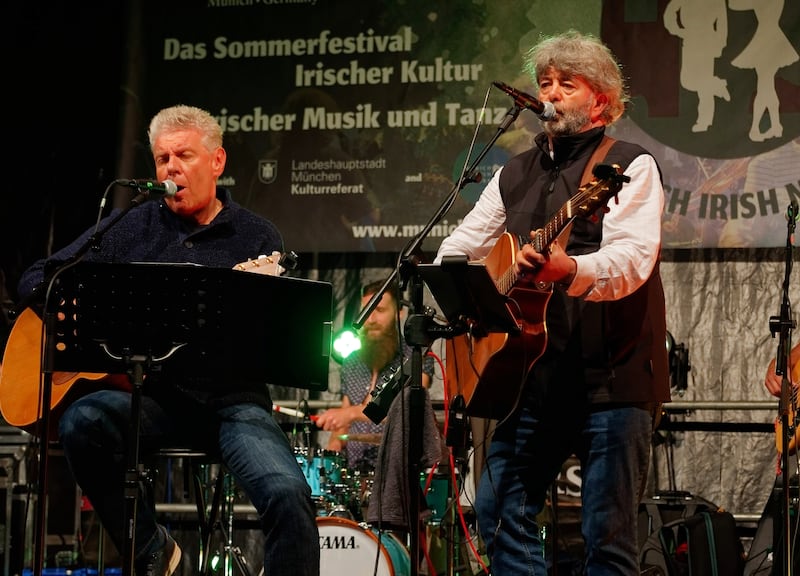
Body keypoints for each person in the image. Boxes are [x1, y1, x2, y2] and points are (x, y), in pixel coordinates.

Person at [15, 105, 320, 576]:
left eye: (184, 156)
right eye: (161, 159)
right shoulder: (131, 226)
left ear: (217, 162)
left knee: (288, 495)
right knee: (81, 421)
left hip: (232, 406)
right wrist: (76, 307)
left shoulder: (257, 236)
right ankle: (154, 551)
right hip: (151, 402)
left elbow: (271, 343)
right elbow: (38, 277)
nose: (170, 169)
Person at [435, 31, 670, 575]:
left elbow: (633, 261)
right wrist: (483, 290)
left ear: (602, 102)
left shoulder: (629, 166)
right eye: (546, 83)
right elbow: (457, 249)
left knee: (607, 540)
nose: (552, 93)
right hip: (527, 379)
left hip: (609, 382)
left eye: (568, 84)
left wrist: (571, 269)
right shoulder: (513, 172)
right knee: (495, 511)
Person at [314, 279, 435, 474]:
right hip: (355, 472)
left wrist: (351, 413)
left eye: (379, 310)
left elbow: (407, 408)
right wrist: (329, 463)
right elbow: (344, 421)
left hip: (398, 472)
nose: (370, 320)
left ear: (399, 313)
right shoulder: (351, 361)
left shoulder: (416, 355)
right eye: (366, 312)